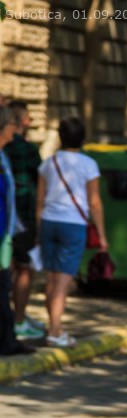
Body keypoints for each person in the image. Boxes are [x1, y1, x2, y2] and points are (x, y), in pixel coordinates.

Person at [36, 116, 108, 348]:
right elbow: (94, 202)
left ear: (60, 136)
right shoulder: (89, 165)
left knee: (51, 279)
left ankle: (54, 327)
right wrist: (102, 235)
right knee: (63, 281)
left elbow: (40, 201)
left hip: (48, 222)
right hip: (73, 225)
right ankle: (55, 331)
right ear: (82, 138)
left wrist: (39, 231)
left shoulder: (49, 163)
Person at [4, 100, 43, 340]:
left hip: (9, 216)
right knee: (23, 268)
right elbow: (40, 181)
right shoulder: (25, 150)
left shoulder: (7, 150)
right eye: (27, 117)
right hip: (22, 216)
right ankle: (17, 320)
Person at [0, 105, 35, 357]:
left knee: (3, 286)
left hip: (5, 234)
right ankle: (7, 342)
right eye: (13, 125)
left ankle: (8, 339)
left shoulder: (3, 156)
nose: (16, 130)